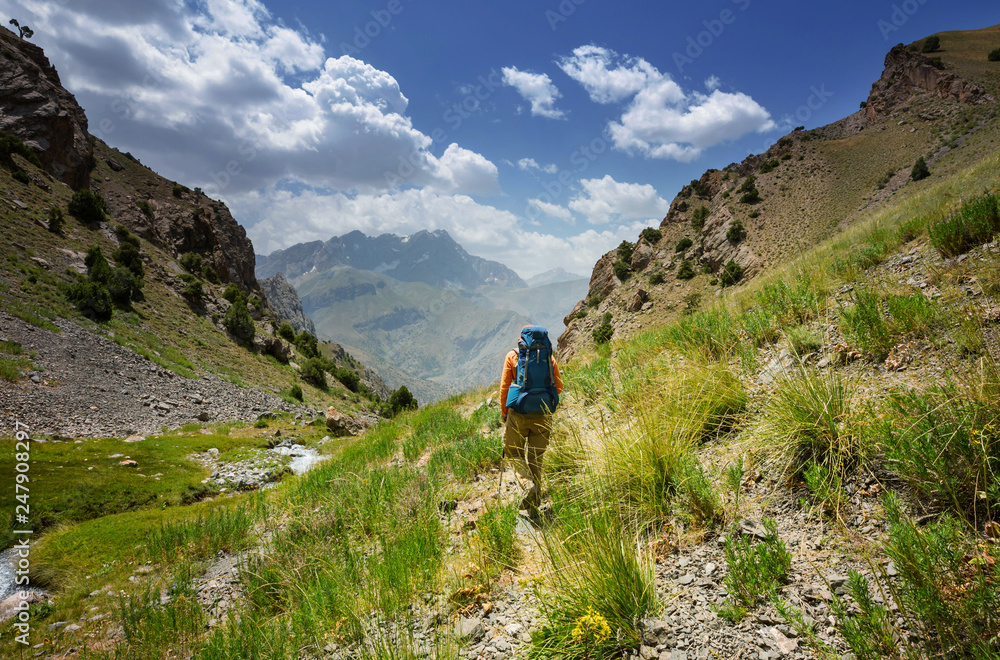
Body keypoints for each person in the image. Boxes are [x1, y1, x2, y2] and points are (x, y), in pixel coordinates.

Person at [500, 325, 563, 516]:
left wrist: (505, 413)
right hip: (543, 414)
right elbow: (558, 386)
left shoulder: (513, 356)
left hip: (519, 413)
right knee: (536, 458)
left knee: (512, 452)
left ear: (522, 339)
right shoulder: (548, 358)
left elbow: (504, 388)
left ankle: (527, 485)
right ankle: (534, 507)